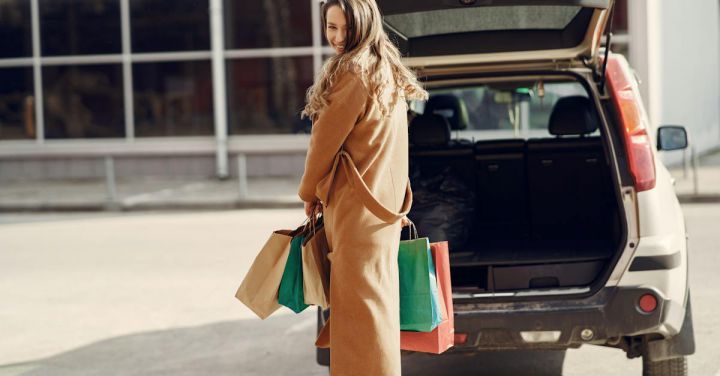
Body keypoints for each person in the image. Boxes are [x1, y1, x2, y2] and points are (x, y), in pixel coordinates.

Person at [297, 0, 427, 374]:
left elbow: (323, 144)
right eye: (331, 27)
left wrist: (308, 192)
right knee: (376, 313)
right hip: (380, 217)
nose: (337, 38)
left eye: (345, 28)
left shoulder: (353, 72)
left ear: (364, 25)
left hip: (357, 217)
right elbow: (396, 150)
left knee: (358, 319)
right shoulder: (386, 69)